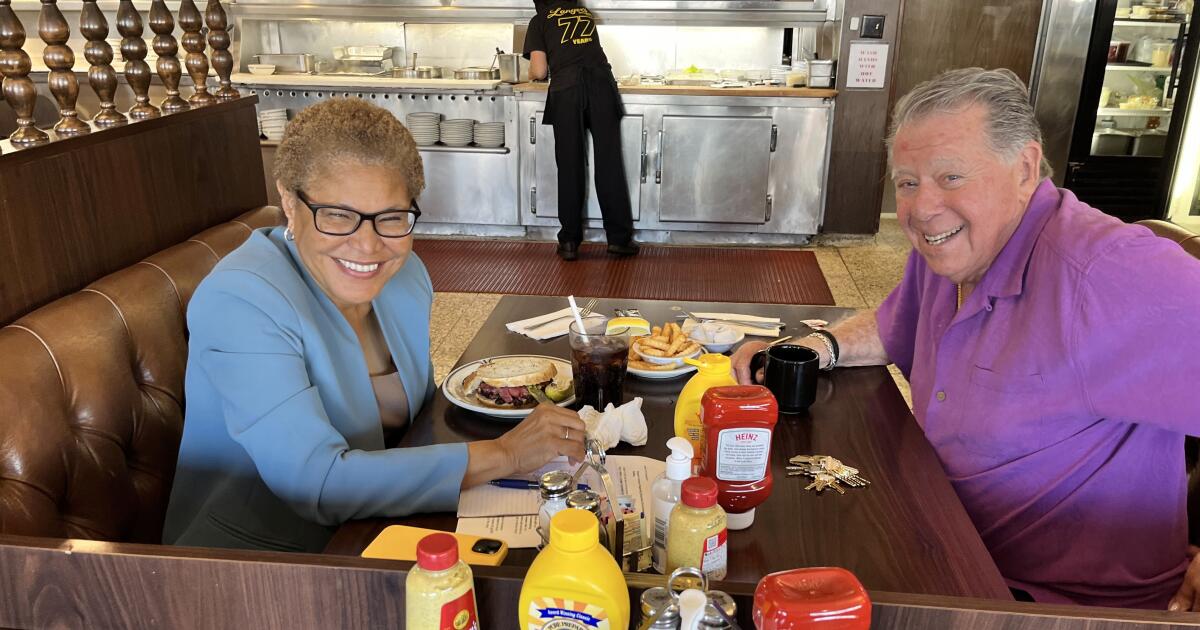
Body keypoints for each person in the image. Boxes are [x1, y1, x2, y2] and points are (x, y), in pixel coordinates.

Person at [732, 67, 1200, 610]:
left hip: (1059, 606)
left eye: (951, 176)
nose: (921, 209)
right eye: (907, 182)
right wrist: (820, 348)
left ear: (1024, 168)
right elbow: (897, 323)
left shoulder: (1104, 274)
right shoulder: (953, 251)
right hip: (946, 543)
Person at [163, 99, 586, 553]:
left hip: (380, 527)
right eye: (337, 215)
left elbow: (418, 422)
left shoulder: (404, 276)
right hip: (256, 560)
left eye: (391, 217)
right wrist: (505, 454)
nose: (368, 245)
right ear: (288, 200)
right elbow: (316, 484)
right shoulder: (241, 299)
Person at [523, 0, 638, 261]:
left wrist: (528, 73)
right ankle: (619, 240)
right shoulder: (584, 12)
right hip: (602, 87)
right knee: (609, 163)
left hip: (567, 90)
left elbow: (539, 70)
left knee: (570, 165)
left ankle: (569, 242)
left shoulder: (539, 20)